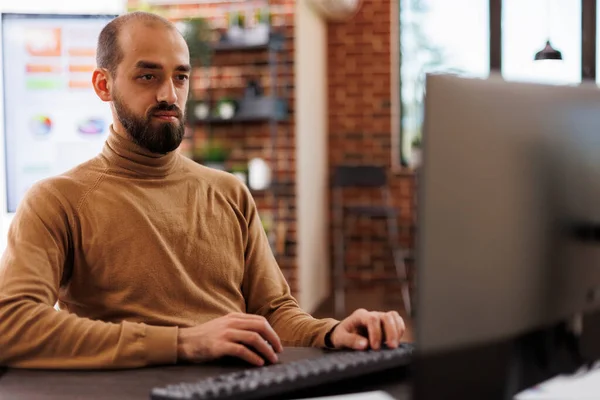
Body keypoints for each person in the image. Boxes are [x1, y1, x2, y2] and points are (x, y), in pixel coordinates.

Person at [0, 11, 405, 369]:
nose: (169, 95)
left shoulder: (229, 192)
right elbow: (12, 324)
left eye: (180, 77)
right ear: (103, 85)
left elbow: (274, 311)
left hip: (239, 387)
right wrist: (182, 343)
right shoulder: (58, 200)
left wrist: (332, 333)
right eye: (148, 76)